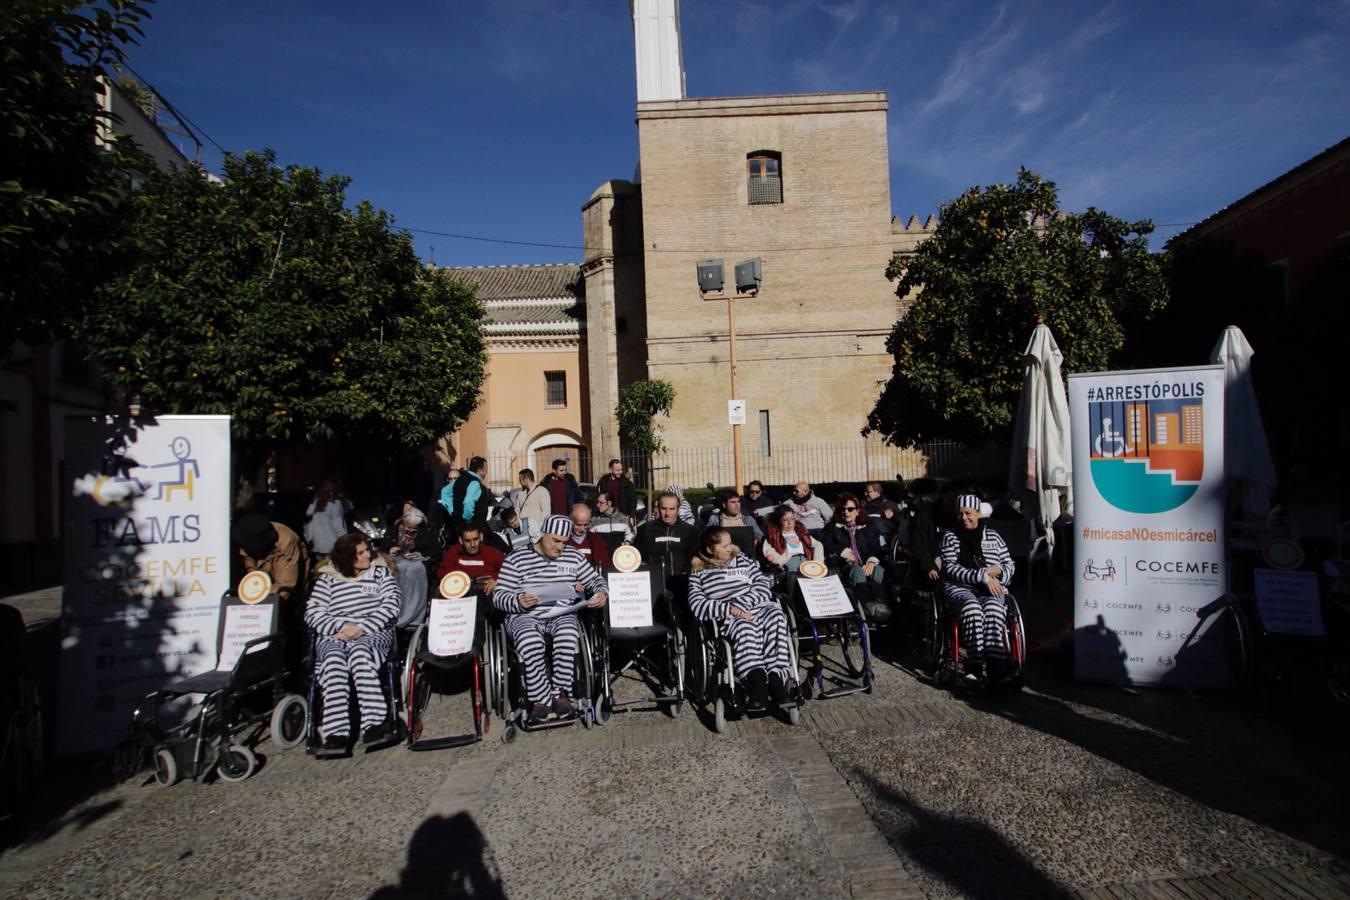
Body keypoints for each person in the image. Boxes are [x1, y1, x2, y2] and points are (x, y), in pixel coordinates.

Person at [493, 515, 608, 724]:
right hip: (525, 614)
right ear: (542, 535)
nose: (560, 547)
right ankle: (540, 699)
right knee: (530, 641)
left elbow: (595, 579)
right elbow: (499, 596)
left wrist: (601, 593)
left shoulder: (573, 556)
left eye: (564, 542)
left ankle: (560, 693)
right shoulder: (517, 558)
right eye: (555, 541)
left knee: (569, 634)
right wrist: (518, 600)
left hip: (561, 613)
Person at [305, 533, 401, 752]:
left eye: (367, 549)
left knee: (360, 655)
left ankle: (374, 724)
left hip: (372, 631)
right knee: (333, 661)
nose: (368, 555)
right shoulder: (328, 577)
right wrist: (340, 626)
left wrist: (362, 628)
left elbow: (391, 605)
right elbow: (313, 612)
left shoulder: (379, 572)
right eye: (361, 553)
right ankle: (336, 732)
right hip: (335, 633)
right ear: (347, 558)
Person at [688, 527, 794, 710]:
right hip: (730, 616)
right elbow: (697, 604)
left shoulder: (742, 559)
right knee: (745, 627)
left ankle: (777, 679)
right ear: (709, 549)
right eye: (725, 546)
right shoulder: (698, 570)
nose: (730, 548)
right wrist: (730, 609)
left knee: (777, 616)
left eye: (730, 543)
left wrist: (743, 604)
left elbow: (762, 583)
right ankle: (757, 682)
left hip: (757, 606)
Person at [939, 494, 1015, 677]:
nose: (963, 518)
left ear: (978, 513)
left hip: (992, 588)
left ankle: (995, 662)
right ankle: (974, 663)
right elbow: (950, 568)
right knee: (972, 608)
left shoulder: (993, 536)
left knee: (994, 609)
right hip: (959, 588)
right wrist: (982, 576)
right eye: (960, 514)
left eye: (968, 513)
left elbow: (1009, 564)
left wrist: (1000, 572)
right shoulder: (950, 537)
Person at [820, 493, 890, 620]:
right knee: (857, 571)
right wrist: (843, 551)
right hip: (845, 566)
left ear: (857, 511)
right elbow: (825, 544)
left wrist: (871, 562)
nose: (846, 512)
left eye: (850, 509)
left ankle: (880, 607)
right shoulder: (832, 528)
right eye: (843, 509)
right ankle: (866, 607)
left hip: (865, 563)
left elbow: (876, 548)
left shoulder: (869, 527)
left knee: (878, 570)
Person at [232, 511, 307, 603]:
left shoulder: (286, 541)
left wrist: (260, 604)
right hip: (259, 587)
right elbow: (250, 572)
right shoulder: (246, 537)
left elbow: (285, 584)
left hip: (287, 584)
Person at [437, 524, 506, 614]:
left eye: (475, 539)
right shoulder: (453, 553)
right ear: (461, 540)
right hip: (459, 595)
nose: (472, 545)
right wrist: (458, 579)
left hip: (485, 594)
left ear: (480, 537)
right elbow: (441, 573)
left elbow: (508, 570)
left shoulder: (492, 553)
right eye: (468, 541)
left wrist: (496, 580)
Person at [634, 491, 697, 579]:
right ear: (658, 508)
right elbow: (637, 557)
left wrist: (686, 572)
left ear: (678, 509)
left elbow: (695, 558)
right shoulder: (645, 529)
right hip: (654, 581)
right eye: (664, 508)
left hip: (682, 581)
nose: (667, 513)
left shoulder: (689, 531)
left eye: (672, 509)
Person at [762, 506, 823, 573]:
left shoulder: (800, 532)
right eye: (785, 520)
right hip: (788, 563)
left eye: (792, 519)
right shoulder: (773, 535)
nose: (789, 523)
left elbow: (817, 545)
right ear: (778, 521)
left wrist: (817, 563)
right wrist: (780, 563)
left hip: (805, 562)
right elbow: (770, 554)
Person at [304, 478, 350, 556]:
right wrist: (346, 543)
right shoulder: (335, 503)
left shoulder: (313, 504)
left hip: (317, 546)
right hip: (333, 546)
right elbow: (338, 527)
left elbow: (307, 524)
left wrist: (309, 539)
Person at [450, 457, 493, 534]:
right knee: (499, 544)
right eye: (486, 469)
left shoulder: (459, 479)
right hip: (474, 528)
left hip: (458, 525)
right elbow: (468, 502)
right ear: (480, 470)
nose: (486, 472)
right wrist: (468, 522)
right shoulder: (475, 483)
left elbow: (446, 494)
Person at [514, 468, 552, 540]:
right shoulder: (521, 494)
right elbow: (517, 512)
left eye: (520, 480)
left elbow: (546, 513)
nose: (519, 482)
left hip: (537, 534)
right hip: (522, 533)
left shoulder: (542, 491)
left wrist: (537, 529)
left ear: (526, 479)